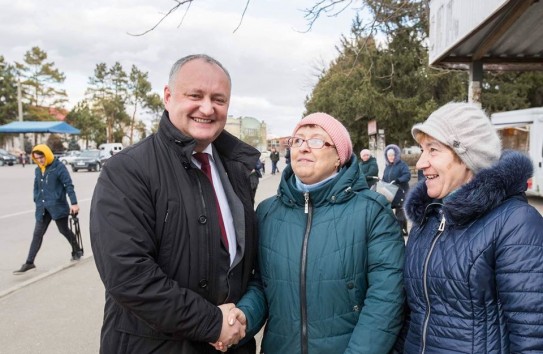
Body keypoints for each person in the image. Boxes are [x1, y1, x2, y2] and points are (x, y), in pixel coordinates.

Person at [90, 54, 260, 353]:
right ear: (168, 97)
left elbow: (245, 268)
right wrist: (212, 323)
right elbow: (129, 276)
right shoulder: (127, 171)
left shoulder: (237, 171)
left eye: (218, 99)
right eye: (195, 95)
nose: (207, 108)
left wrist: (238, 319)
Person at [227, 113, 405, 353]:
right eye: (298, 140)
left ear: (338, 157)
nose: (304, 148)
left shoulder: (371, 210)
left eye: (317, 141)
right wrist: (244, 316)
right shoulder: (268, 211)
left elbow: (386, 299)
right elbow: (262, 283)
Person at [400, 102, 543, 353]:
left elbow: (533, 335)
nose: (421, 162)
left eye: (433, 150)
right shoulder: (429, 217)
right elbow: (414, 315)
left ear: (468, 157)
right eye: (422, 150)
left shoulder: (515, 223)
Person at [13, 144, 82, 275]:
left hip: (57, 206)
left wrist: (74, 203)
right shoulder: (38, 169)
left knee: (64, 230)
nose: (39, 160)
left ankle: (77, 249)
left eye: (41, 157)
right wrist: (36, 198)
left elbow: (68, 185)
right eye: (37, 158)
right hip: (43, 208)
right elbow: (37, 186)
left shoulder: (59, 167)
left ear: (47, 154)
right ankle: (29, 262)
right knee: (37, 234)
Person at [382, 144, 411, 235]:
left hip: (400, 191)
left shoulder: (402, 165)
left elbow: (407, 175)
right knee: (389, 210)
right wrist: (382, 183)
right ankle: (393, 229)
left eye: (392, 155)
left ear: (396, 155)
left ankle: (403, 230)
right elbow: (384, 178)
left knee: (400, 211)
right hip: (390, 192)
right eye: (389, 155)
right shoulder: (387, 167)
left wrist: (398, 180)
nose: (391, 157)